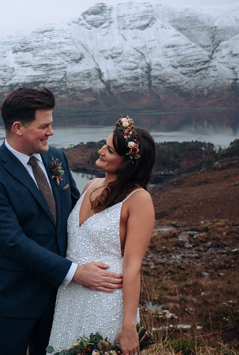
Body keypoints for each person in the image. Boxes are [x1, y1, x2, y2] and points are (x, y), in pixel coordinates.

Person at [0, 87, 123, 355]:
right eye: (45, 126)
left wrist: (127, 205)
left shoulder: (57, 158)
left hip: (59, 298)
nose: (51, 132)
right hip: (13, 299)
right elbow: (13, 242)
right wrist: (76, 272)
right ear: (18, 128)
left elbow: (79, 212)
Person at [47, 116, 157, 355]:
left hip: (106, 301)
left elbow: (132, 266)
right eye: (104, 144)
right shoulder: (90, 186)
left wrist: (128, 324)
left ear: (128, 162)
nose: (100, 151)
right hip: (70, 296)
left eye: (109, 149)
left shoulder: (139, 200)